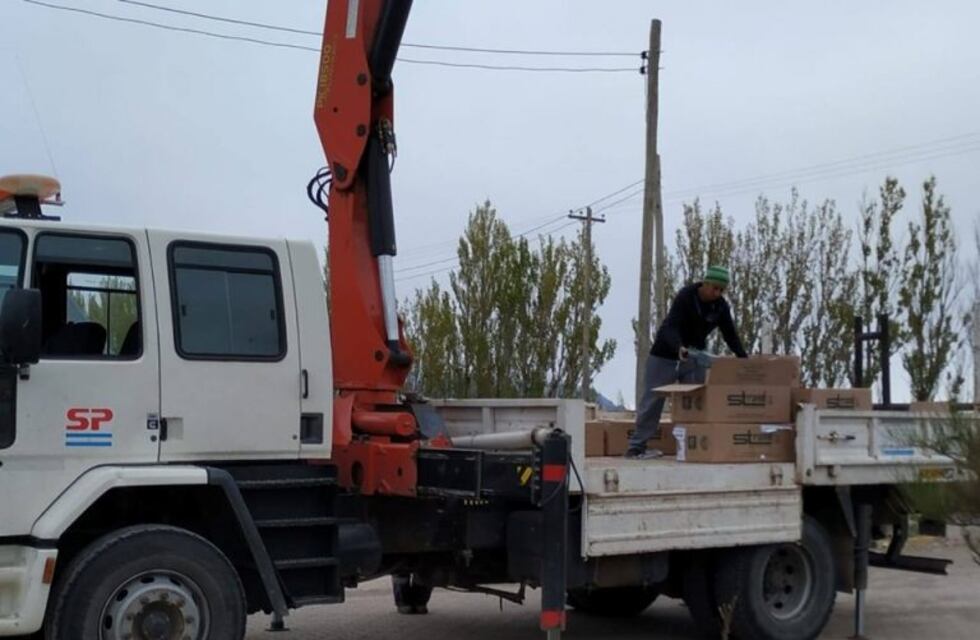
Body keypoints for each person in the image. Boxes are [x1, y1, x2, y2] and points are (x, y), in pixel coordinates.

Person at [625, 265, 748, 458]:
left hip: (694, 357)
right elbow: (671, 326)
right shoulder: (686, 297)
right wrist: (678, 347)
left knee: (694, 403)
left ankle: (692, 447)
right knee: (652, 400)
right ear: (705, 283)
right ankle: (636, 447)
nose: (717, 293)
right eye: (714, 288)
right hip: (665, 354)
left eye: (721, 290)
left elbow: (730, 334)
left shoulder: (721, 307)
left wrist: (743, 358)